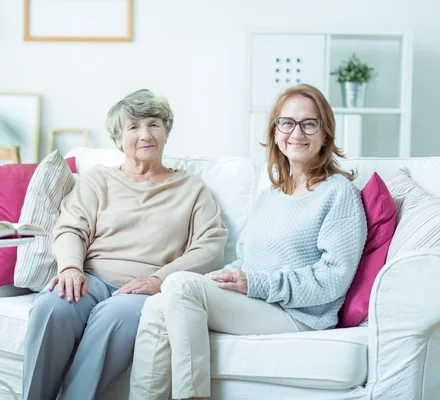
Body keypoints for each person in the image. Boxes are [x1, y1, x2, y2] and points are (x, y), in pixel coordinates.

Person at [129, 83, 368, 400]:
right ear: (275, 131)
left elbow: (332, 279)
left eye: (309, 123)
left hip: (301, 316)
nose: (296, 132)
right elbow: (245, 261)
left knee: (179, 284)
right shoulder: (269, 197)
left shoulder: (339, 193)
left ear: (325, 134)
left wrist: (254, 282)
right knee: (159, 303)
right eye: (287, 122)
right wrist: (225, 277)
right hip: (259, 301)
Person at [22, 89, 228, 400]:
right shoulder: (98, 180)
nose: (145, 134)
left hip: (144, 289)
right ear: (118, 139)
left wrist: (160, 280)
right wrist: (70, 268)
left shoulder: (191, 188)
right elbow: (70, 228)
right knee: (52, 306)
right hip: (90, 278)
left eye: (154, 124)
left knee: (113, 317)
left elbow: (210, 245)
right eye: (133, 127)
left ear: (166, 133)